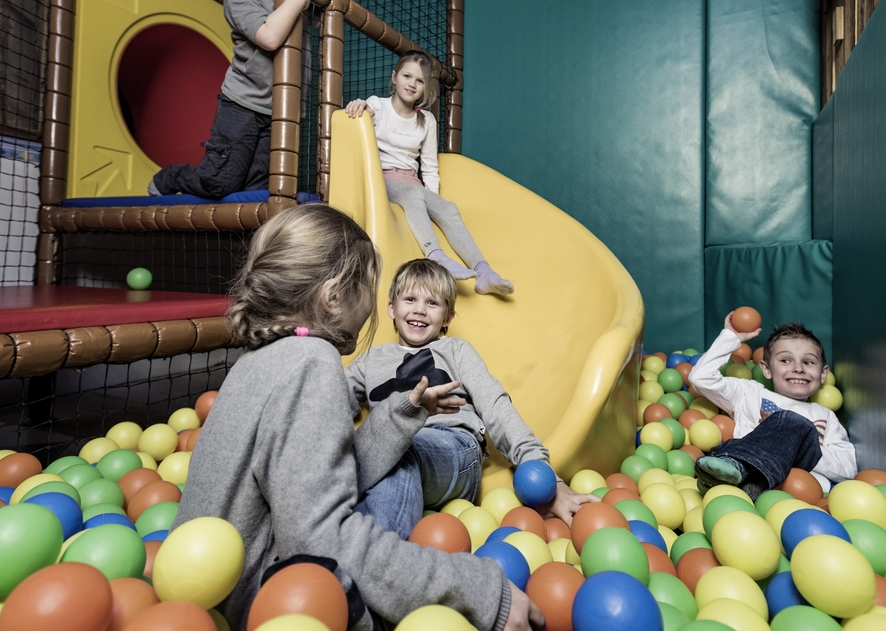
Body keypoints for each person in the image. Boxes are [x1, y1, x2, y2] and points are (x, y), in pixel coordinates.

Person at [172, 205, 543, 631]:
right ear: (334, 297)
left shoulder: (258, 359)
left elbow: (307, 478)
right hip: (281, 607)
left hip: (207, 600)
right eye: (369, 286)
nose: (372, 304)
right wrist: (480, 591)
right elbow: (321, 540)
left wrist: (402, 414)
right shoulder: (313, 363)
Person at [346, 258, 595, 538]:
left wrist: (540, 470)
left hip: (453, 448)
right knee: (377, 451)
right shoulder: (370, 360)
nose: (419, 310)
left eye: (432, 303)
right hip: (390, 447)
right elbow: (331, 399)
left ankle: (376, 554)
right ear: (392, 307)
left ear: (447, 317)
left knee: (397, 449)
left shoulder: (455, 350)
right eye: (410, 299)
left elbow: (495, 405)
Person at [149, 0, 328, 198]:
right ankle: (172, 177)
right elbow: (269, 38)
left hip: (282, 110)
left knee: (257, 189)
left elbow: (317, 16)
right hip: (243, 105)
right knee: (220, 182)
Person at [345, 53, 514, 295]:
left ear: (425, 87)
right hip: (384, 180)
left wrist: (432, 200)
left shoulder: (427, 120)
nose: (412, 84)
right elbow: (361, 115)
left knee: (448, 208)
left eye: (420, 80)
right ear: (394, 77)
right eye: (407, 76)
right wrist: (359, 105)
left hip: (412, 182)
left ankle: (484, 272)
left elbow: (429, 166)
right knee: (414, 195)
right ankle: (437, 256)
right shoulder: (379, 106)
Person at [687, 314, 857, 499]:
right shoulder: (750, 393)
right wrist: (730, 337)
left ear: (823, 373)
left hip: (802, 497)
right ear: (766, 369)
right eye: (785, 360)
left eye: (808, 362)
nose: (798, 368)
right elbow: (700, 378)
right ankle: (733, 470)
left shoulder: (825, 415)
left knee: (793, 422)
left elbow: (849, 468)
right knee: (787, 421)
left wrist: (798, 445)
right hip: (742, 484)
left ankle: (741, 480)